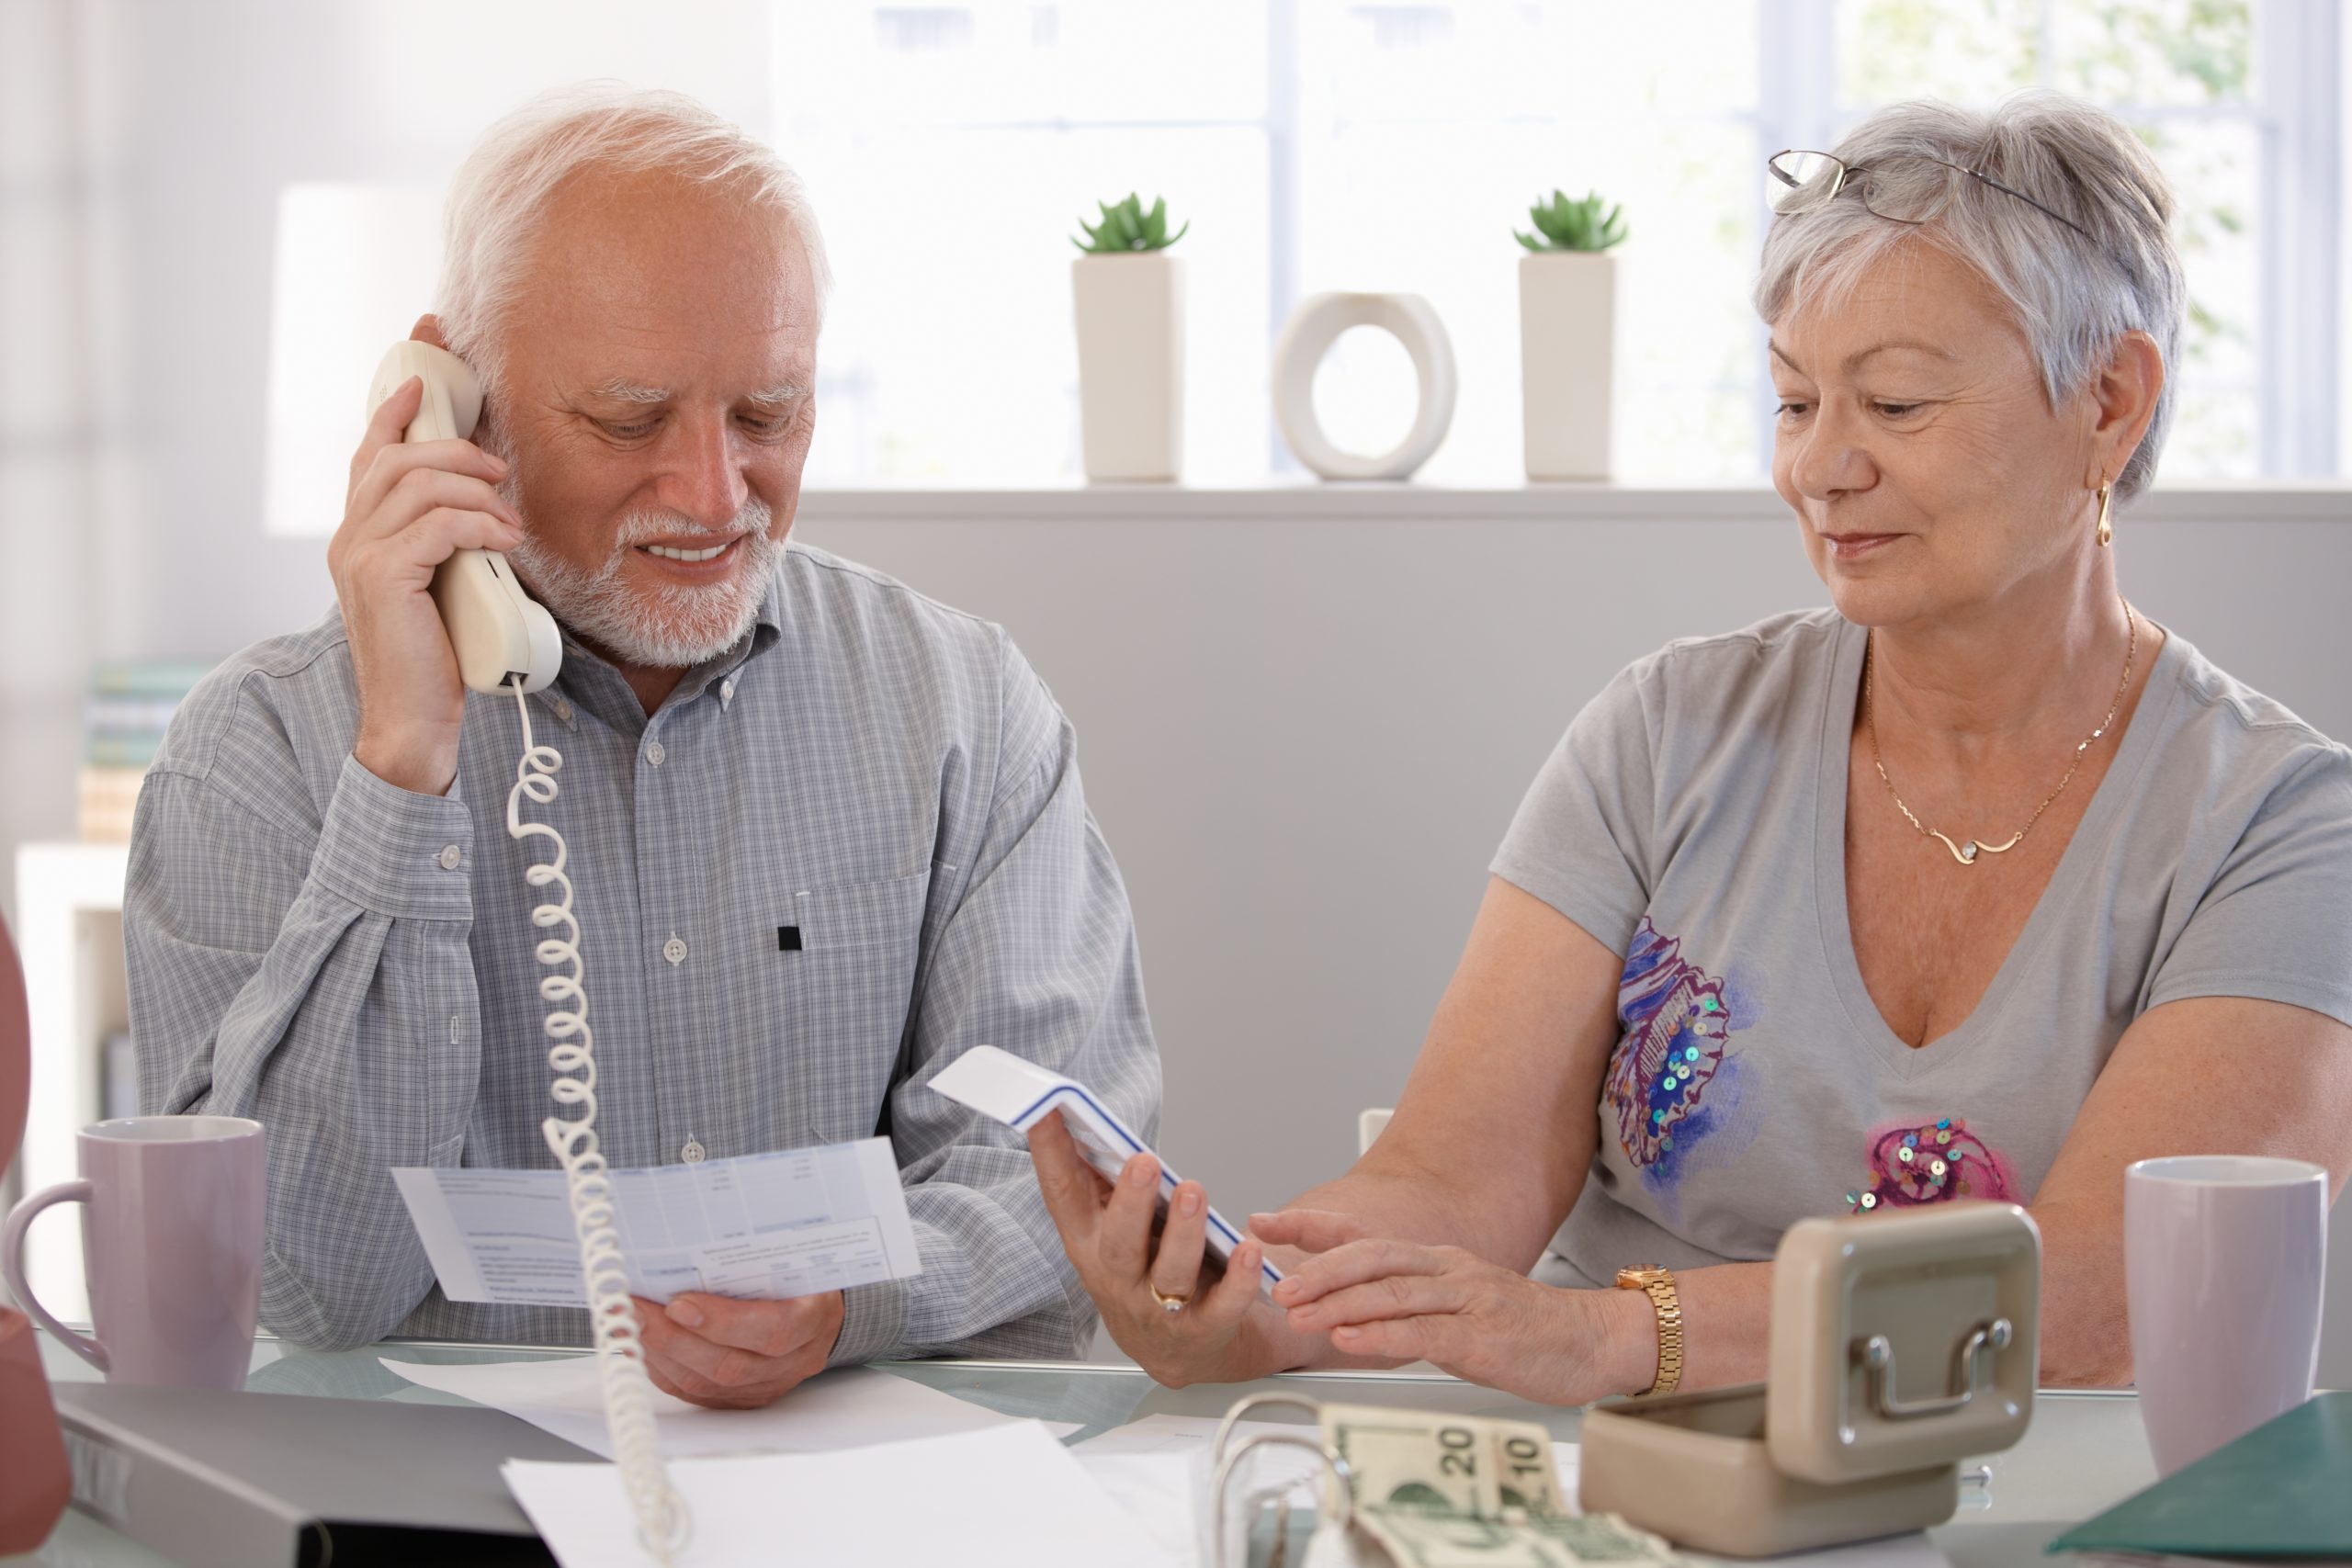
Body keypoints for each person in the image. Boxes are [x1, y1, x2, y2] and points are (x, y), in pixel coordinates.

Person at [1035, 91, 2352, 1402]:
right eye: (1794, 402)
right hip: (1611, 1498)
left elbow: (2104, 1302)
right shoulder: (1666, 735)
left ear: (2111, 402)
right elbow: (1450, 1186)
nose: (1820, 468)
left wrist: (1612, 1337)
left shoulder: (2284, 830)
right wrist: (1249, 1307)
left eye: (1893, 405)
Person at [125, 86, 1158, 1404]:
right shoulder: (254, 752)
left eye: (767, 416)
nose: (715, 496)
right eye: (629, 421)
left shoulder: (964, 706)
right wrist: (403, 761)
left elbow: (1064, 1193)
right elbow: (305, 1285)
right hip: (435, 1509)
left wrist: (846, 1304)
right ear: (457, 403)